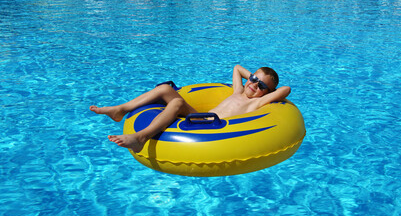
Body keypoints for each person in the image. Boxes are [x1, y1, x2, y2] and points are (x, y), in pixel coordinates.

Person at [90, 65, 291, 153]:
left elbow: (285, 89)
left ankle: (141, 137)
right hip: (199, 116)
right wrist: (254, 77)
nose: (254, 86)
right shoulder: (238, 90)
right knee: (165, 89)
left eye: (260, 86)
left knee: (176, 103)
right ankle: (121, 109)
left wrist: (264, 85)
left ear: (267, 93)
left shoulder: (256, 102)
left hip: (211, 125)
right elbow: (237, 67)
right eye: (253, 80)